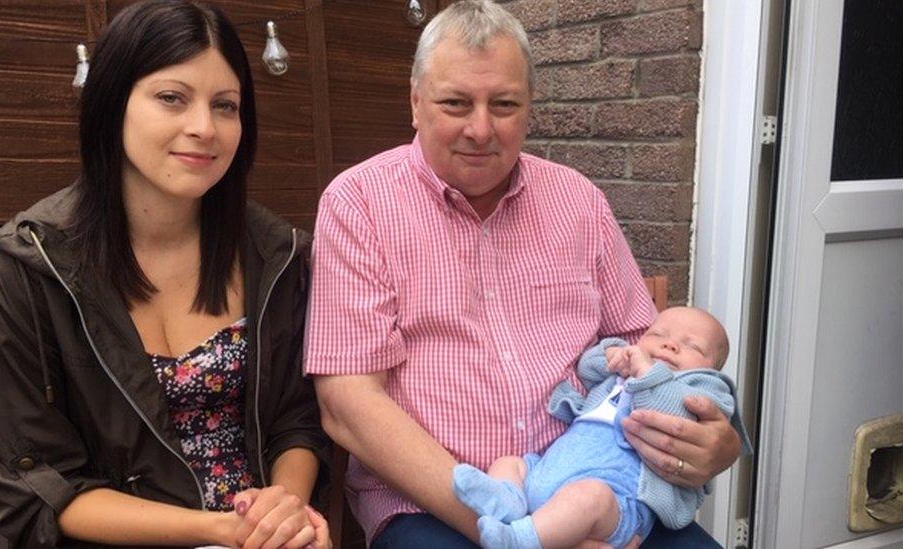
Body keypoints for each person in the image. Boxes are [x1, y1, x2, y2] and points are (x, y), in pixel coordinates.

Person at [305, 1, 743, 547]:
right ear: (416, 103)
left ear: (530, 107)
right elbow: (349, 404)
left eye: (505, 104)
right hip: (433, 505)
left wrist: (712, 447)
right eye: (456, 103)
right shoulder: (360, 204)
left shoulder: (578, 201)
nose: (481, 128)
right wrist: (514, 534)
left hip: (592, 487)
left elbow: (643, 348)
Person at [0, 1, 329, 547]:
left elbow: (296, 420)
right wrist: (218, 531)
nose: (204, 128)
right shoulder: (29, 264)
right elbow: (38, 482)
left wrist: (284, 510)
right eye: (171, 98)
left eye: (225, 105)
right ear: (113, 104)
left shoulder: (275, 254)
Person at [453, 307, 752, 548]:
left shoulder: (703, 386)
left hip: (614, 499)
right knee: (510, 463)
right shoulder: (625, 370)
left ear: (712, 369)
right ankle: (508, 500)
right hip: (550, 469)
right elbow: (588, 367)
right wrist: (613, 354)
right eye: (658, 333)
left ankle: (520, 540)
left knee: (589, 497)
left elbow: (674, 412)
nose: (669, 343)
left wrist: (647, 371)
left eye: (692, 346)